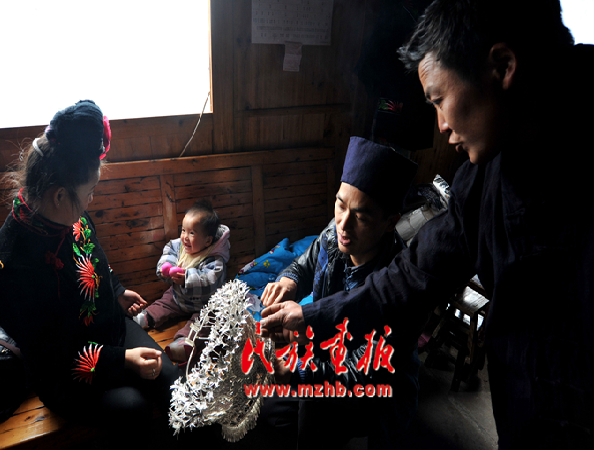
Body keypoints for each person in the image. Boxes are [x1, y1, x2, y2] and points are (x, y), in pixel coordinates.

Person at [260, 1, 594, 448]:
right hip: (526, 418)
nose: (440, 126)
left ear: (502, 66)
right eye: (340, 207)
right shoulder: (481, 178)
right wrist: (309, 314)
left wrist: (303, 367)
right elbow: (414, 275)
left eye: (439, 100)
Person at [0, 101, 181, 438]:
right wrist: (123, 360)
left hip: (111, 330)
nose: (91, 200)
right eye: (90, 192)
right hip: (66, 372)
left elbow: (96, 258)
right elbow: (52, 355)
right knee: (133, 407)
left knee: (172, 385)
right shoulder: (10, 266)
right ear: (59, 196)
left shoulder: (66, 213)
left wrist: (117, 290)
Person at [260, 136, 419, 449]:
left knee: (313, 408)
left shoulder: (398, 285)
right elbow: (305, 264)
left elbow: (360, 371)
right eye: (340, 205)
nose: (343, 224)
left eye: (361, 216)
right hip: (325, 355)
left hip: (374, 385)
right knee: (269, 407)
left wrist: (296, 374)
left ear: (390, 222)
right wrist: (289, 281)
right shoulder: (334, 236)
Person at [133, 200, 230, 363]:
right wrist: (166, 267)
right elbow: (169, 252)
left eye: (192, 233)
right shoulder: (180, 245)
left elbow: (210, 280)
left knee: (206, 320)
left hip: (205, 304)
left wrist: (187, 278)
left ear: (207, 241)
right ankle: (145, 318)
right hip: (178, 296)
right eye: (183, 230)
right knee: (165, 301)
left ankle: (185, 341)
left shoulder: (215, 258)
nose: (185, 237)